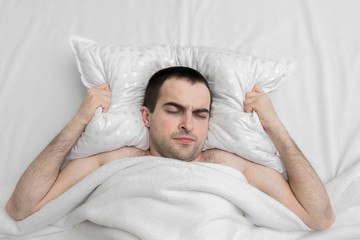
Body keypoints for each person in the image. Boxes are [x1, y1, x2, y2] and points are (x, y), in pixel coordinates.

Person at [6, 66, 335, 230]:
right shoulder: (115, 159)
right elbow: (22, 208)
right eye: (174, 110)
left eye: (200, 114)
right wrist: (79, 120)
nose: (188, 125)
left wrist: (273, 126)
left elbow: (319, 215)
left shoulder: (229, 165)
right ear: (146, 117)